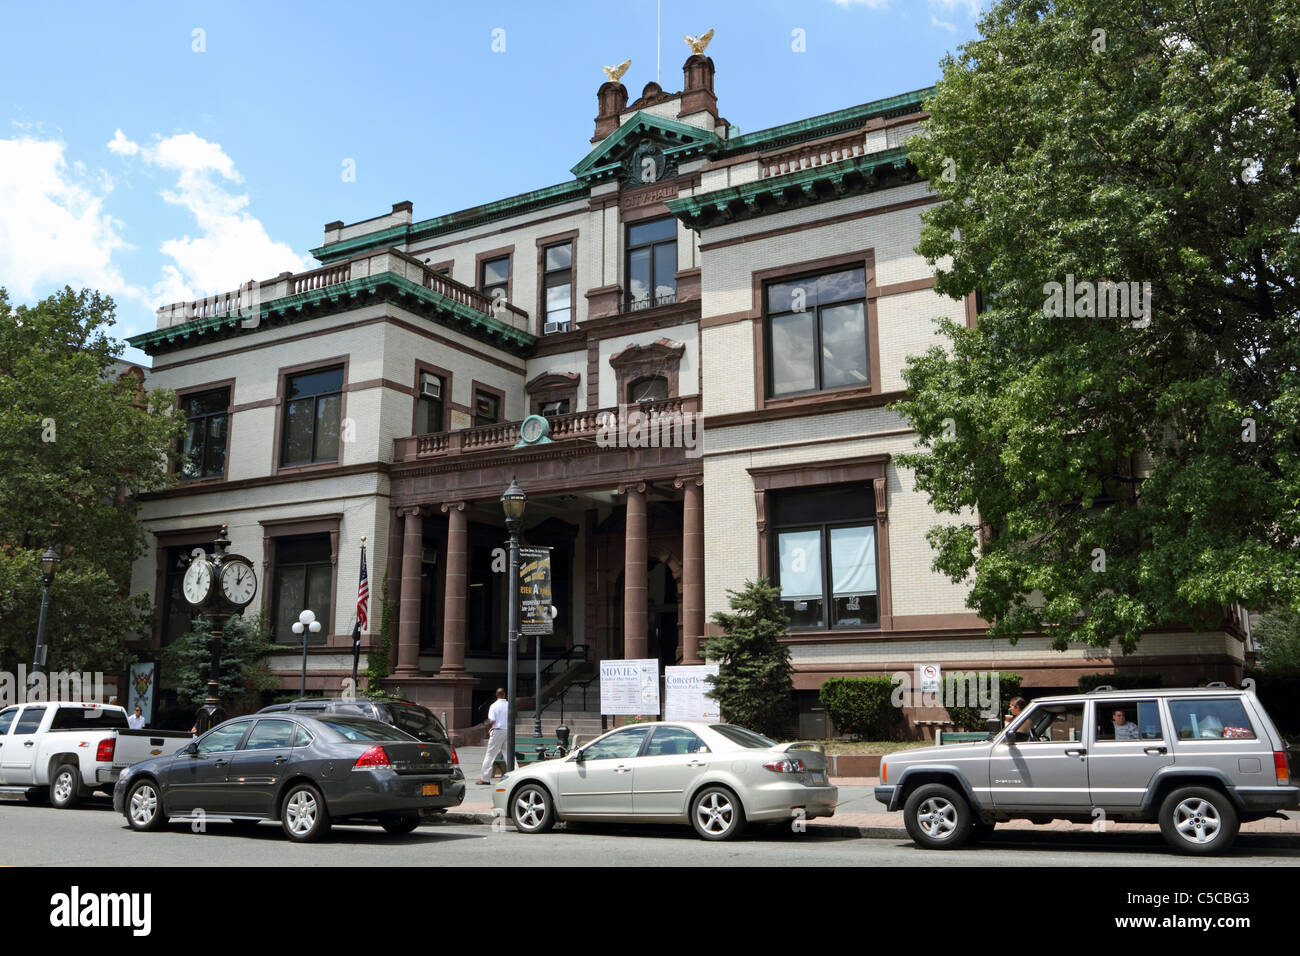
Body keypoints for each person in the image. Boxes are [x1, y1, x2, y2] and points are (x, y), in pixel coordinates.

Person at [479, 688, 509, 786]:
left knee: (490, 755)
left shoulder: (494, 706)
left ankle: (485, 778)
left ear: (496, 695)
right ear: (504, 694)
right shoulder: (509, 704)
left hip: (498, 731)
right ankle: (518, 775)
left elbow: (492, 720)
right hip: (508, 731)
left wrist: (488, 724)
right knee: (509, 755)